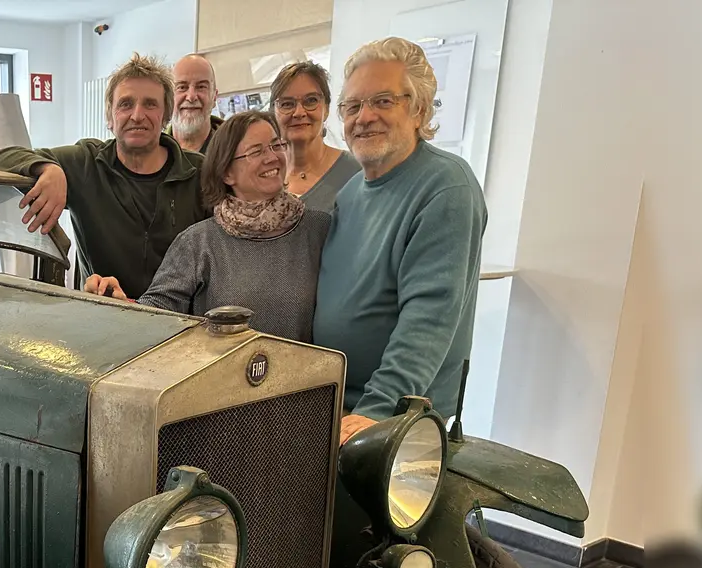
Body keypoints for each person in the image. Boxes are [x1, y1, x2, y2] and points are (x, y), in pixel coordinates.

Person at [315, 37, 487, 444]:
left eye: (383, 102)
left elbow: (427, 320)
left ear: (419, 110)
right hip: (340, 404)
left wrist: (377, 411)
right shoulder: (351, 193)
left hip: (398, 422)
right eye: (352, 106)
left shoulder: (446, 187)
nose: (364, 117)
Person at [83, 112, 331, 344]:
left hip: (307, 388)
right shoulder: (199, 242)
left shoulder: (319, 229)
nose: (272, 157)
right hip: (221, 388)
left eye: (276, 145)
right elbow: (158, 311)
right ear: (226, 174)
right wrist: (122, 303)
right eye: (256, 151)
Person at [0, 54, 207, 300]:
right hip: (104, 316)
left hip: (181, 323)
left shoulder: (199, 172)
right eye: (125, 104)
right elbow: (0, 159)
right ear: (109, 118)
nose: (137, 115)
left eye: (150, 104)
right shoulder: (86, 164)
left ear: (166, 115)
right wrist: (47, 168)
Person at [270, 61, 361, 214]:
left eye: (311, 101)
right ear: (273, 112)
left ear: (326, 108)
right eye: (287, 104)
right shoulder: (265, 173)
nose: (299, 112)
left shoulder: (356, 173)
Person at [171, 53, 223, 154]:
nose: (191, 97)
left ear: (214, 96)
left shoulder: (237, 150)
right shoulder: (148, 152)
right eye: (182, 87)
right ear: (167, 97)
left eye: (201, 87)